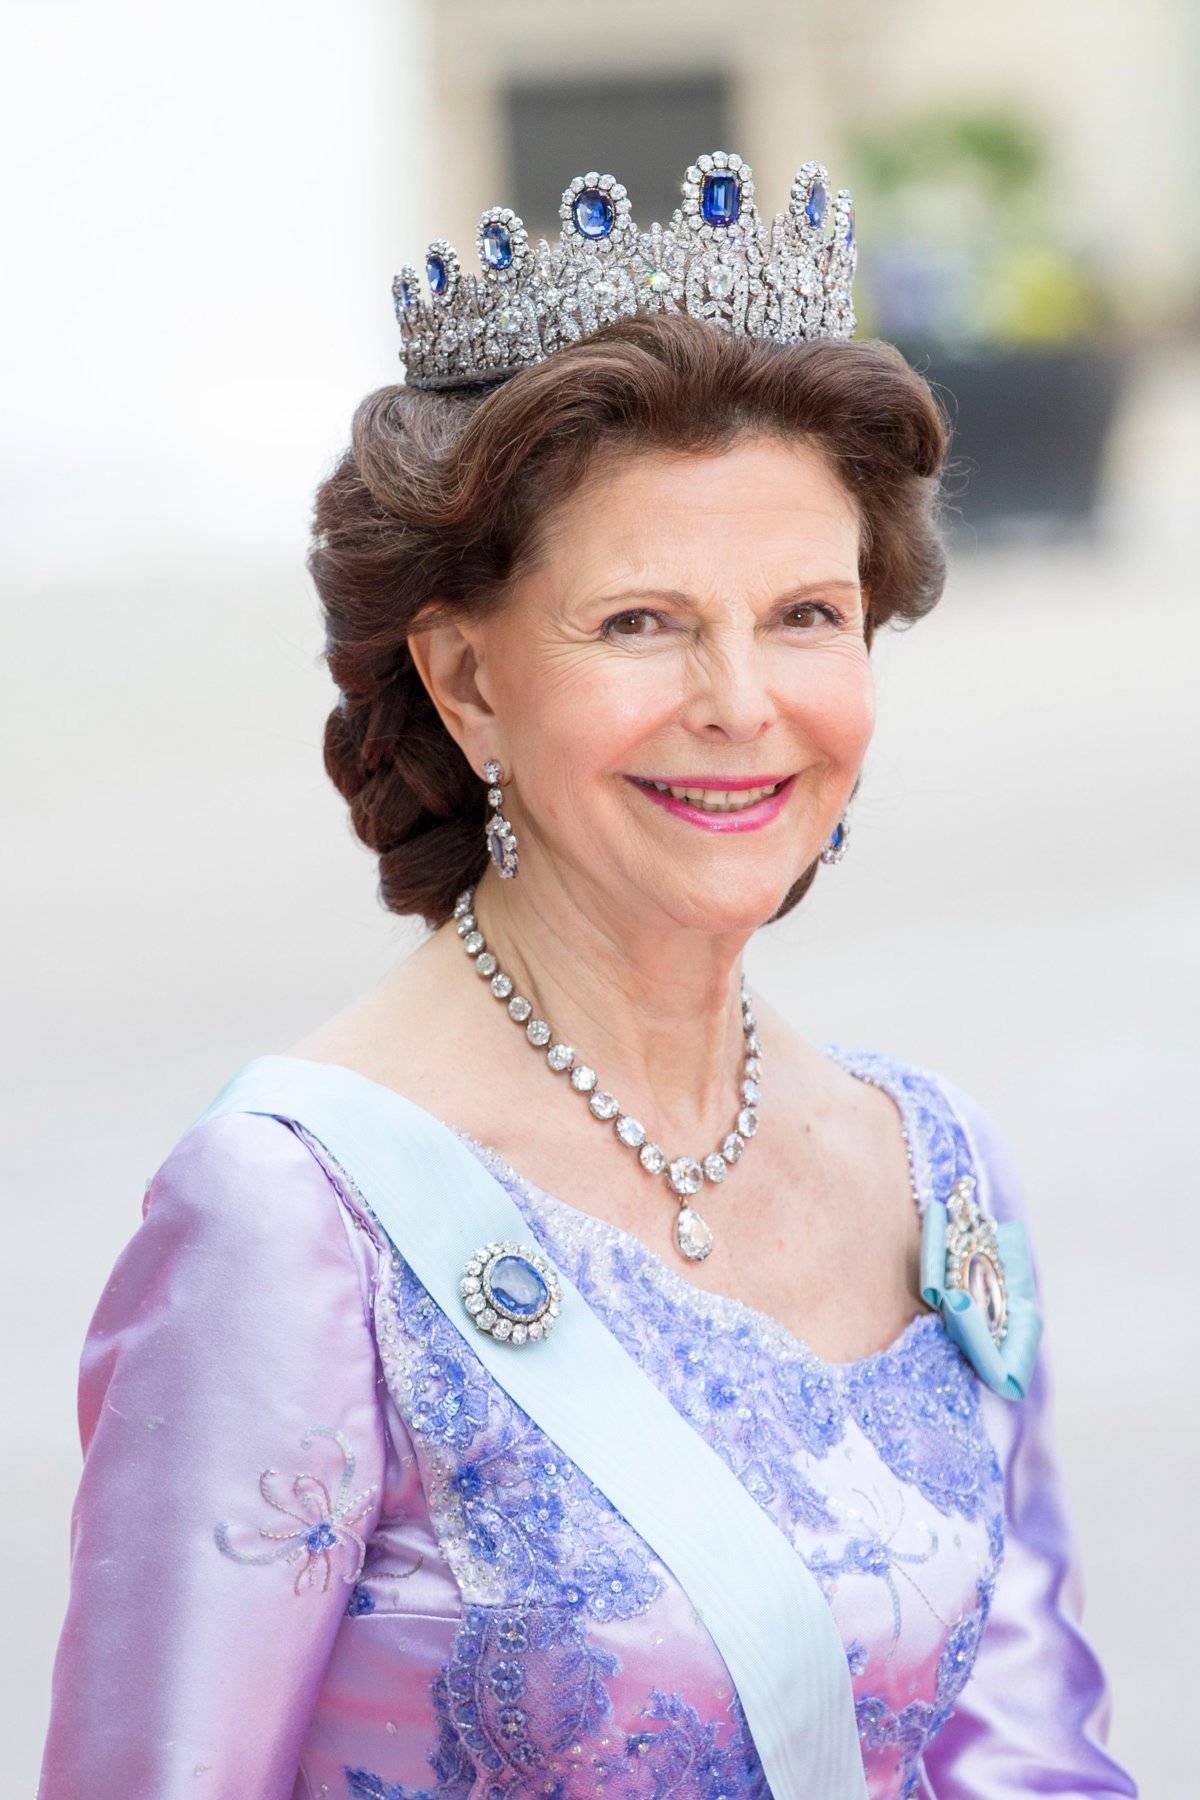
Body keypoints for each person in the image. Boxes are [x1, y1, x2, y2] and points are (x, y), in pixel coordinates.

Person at [40, 154, 1137, 1800]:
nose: (741, 700)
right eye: (641, 622)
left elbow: (1036, 1760)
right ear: (468, 679)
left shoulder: (938, 1172)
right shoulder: (293, 1223)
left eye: (806, 614)